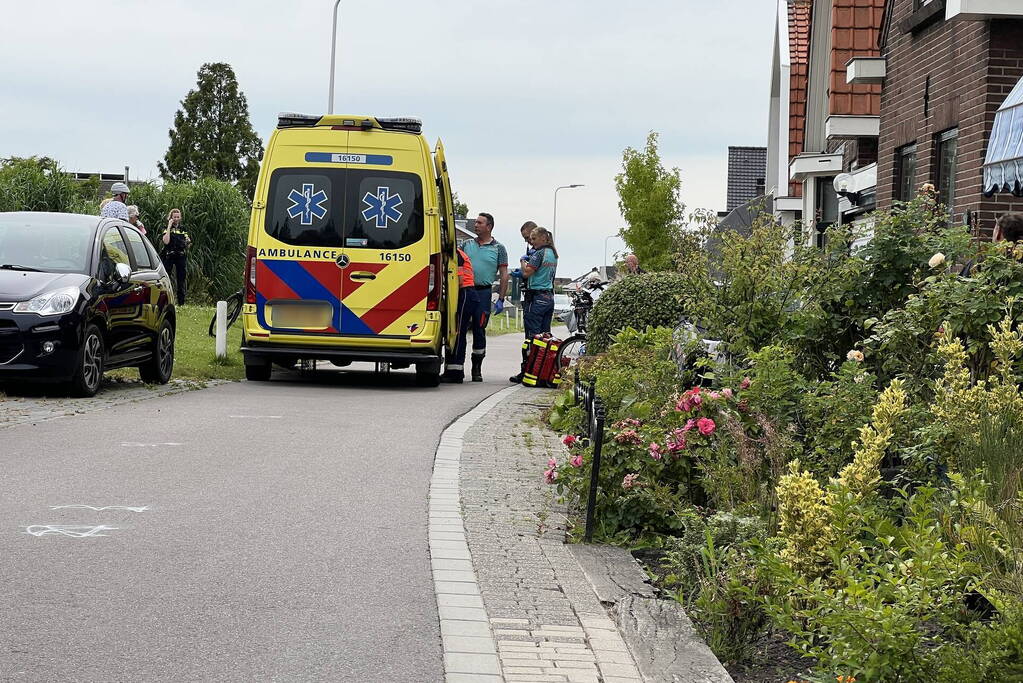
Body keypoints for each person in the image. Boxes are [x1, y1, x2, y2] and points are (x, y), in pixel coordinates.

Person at [458, 212, 509, 382]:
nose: (476, 225)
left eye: (480, 223)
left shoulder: (499, 248)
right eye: (476, 222)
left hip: (483, 293)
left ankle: (476, 367)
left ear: (489, 226)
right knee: (460, 328)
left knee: (479, 329)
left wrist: (501, 298)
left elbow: (503, 274)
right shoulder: (465, 245)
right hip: (465, 291)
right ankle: (456, 366)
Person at [510, 226, 559, 383]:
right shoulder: (553, 253)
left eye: (533, 239)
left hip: (536, 297)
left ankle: (530, 372)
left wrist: (523, 262)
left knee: (533, 337)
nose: (531, 242)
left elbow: (526, 273)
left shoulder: (538, 254)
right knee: (546, 336)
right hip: (549, 297)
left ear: (543, 238)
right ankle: (545, 372)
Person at [440, 247, 479, 383]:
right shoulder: (457, 253)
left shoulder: (456, 255)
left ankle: (455, 373)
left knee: (457, 332)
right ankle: (454, 370)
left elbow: (460, 280)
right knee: (456, 331)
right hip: (466, 294)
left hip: (465, 294)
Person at [161, 208, 191, 305]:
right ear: (171, 218)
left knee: (181, 279)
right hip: (169, 255)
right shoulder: (166, 227)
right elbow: (166, 241)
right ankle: (166, 300)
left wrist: (187, 241)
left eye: (178, 217)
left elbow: (188, 242)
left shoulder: (183, 229)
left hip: (180, 255)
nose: (176, 219)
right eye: (174, 217)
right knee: (167, 278)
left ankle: (181, 303)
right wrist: (169, 227)